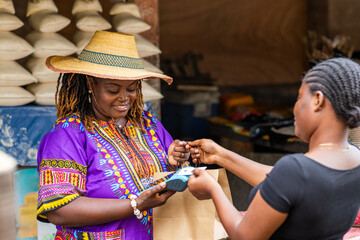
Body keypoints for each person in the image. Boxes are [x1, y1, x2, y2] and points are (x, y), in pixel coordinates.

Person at [36, 31, 189, 240]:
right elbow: (59, 210)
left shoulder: (147, 124)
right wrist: (135, 204)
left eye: (132, 88)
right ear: (91, 84)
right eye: (113, 89)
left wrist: (175, 161)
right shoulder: (68, 135)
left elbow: (171, 180)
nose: (125, 98)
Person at [185, 57, 360, 239]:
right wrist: (220, 156)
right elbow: (283, 183)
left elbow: (243, 235)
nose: (295, 107)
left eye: (300, 97)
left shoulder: (296, 171)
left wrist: (213, 189)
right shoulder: (354, 156)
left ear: (317, 100)